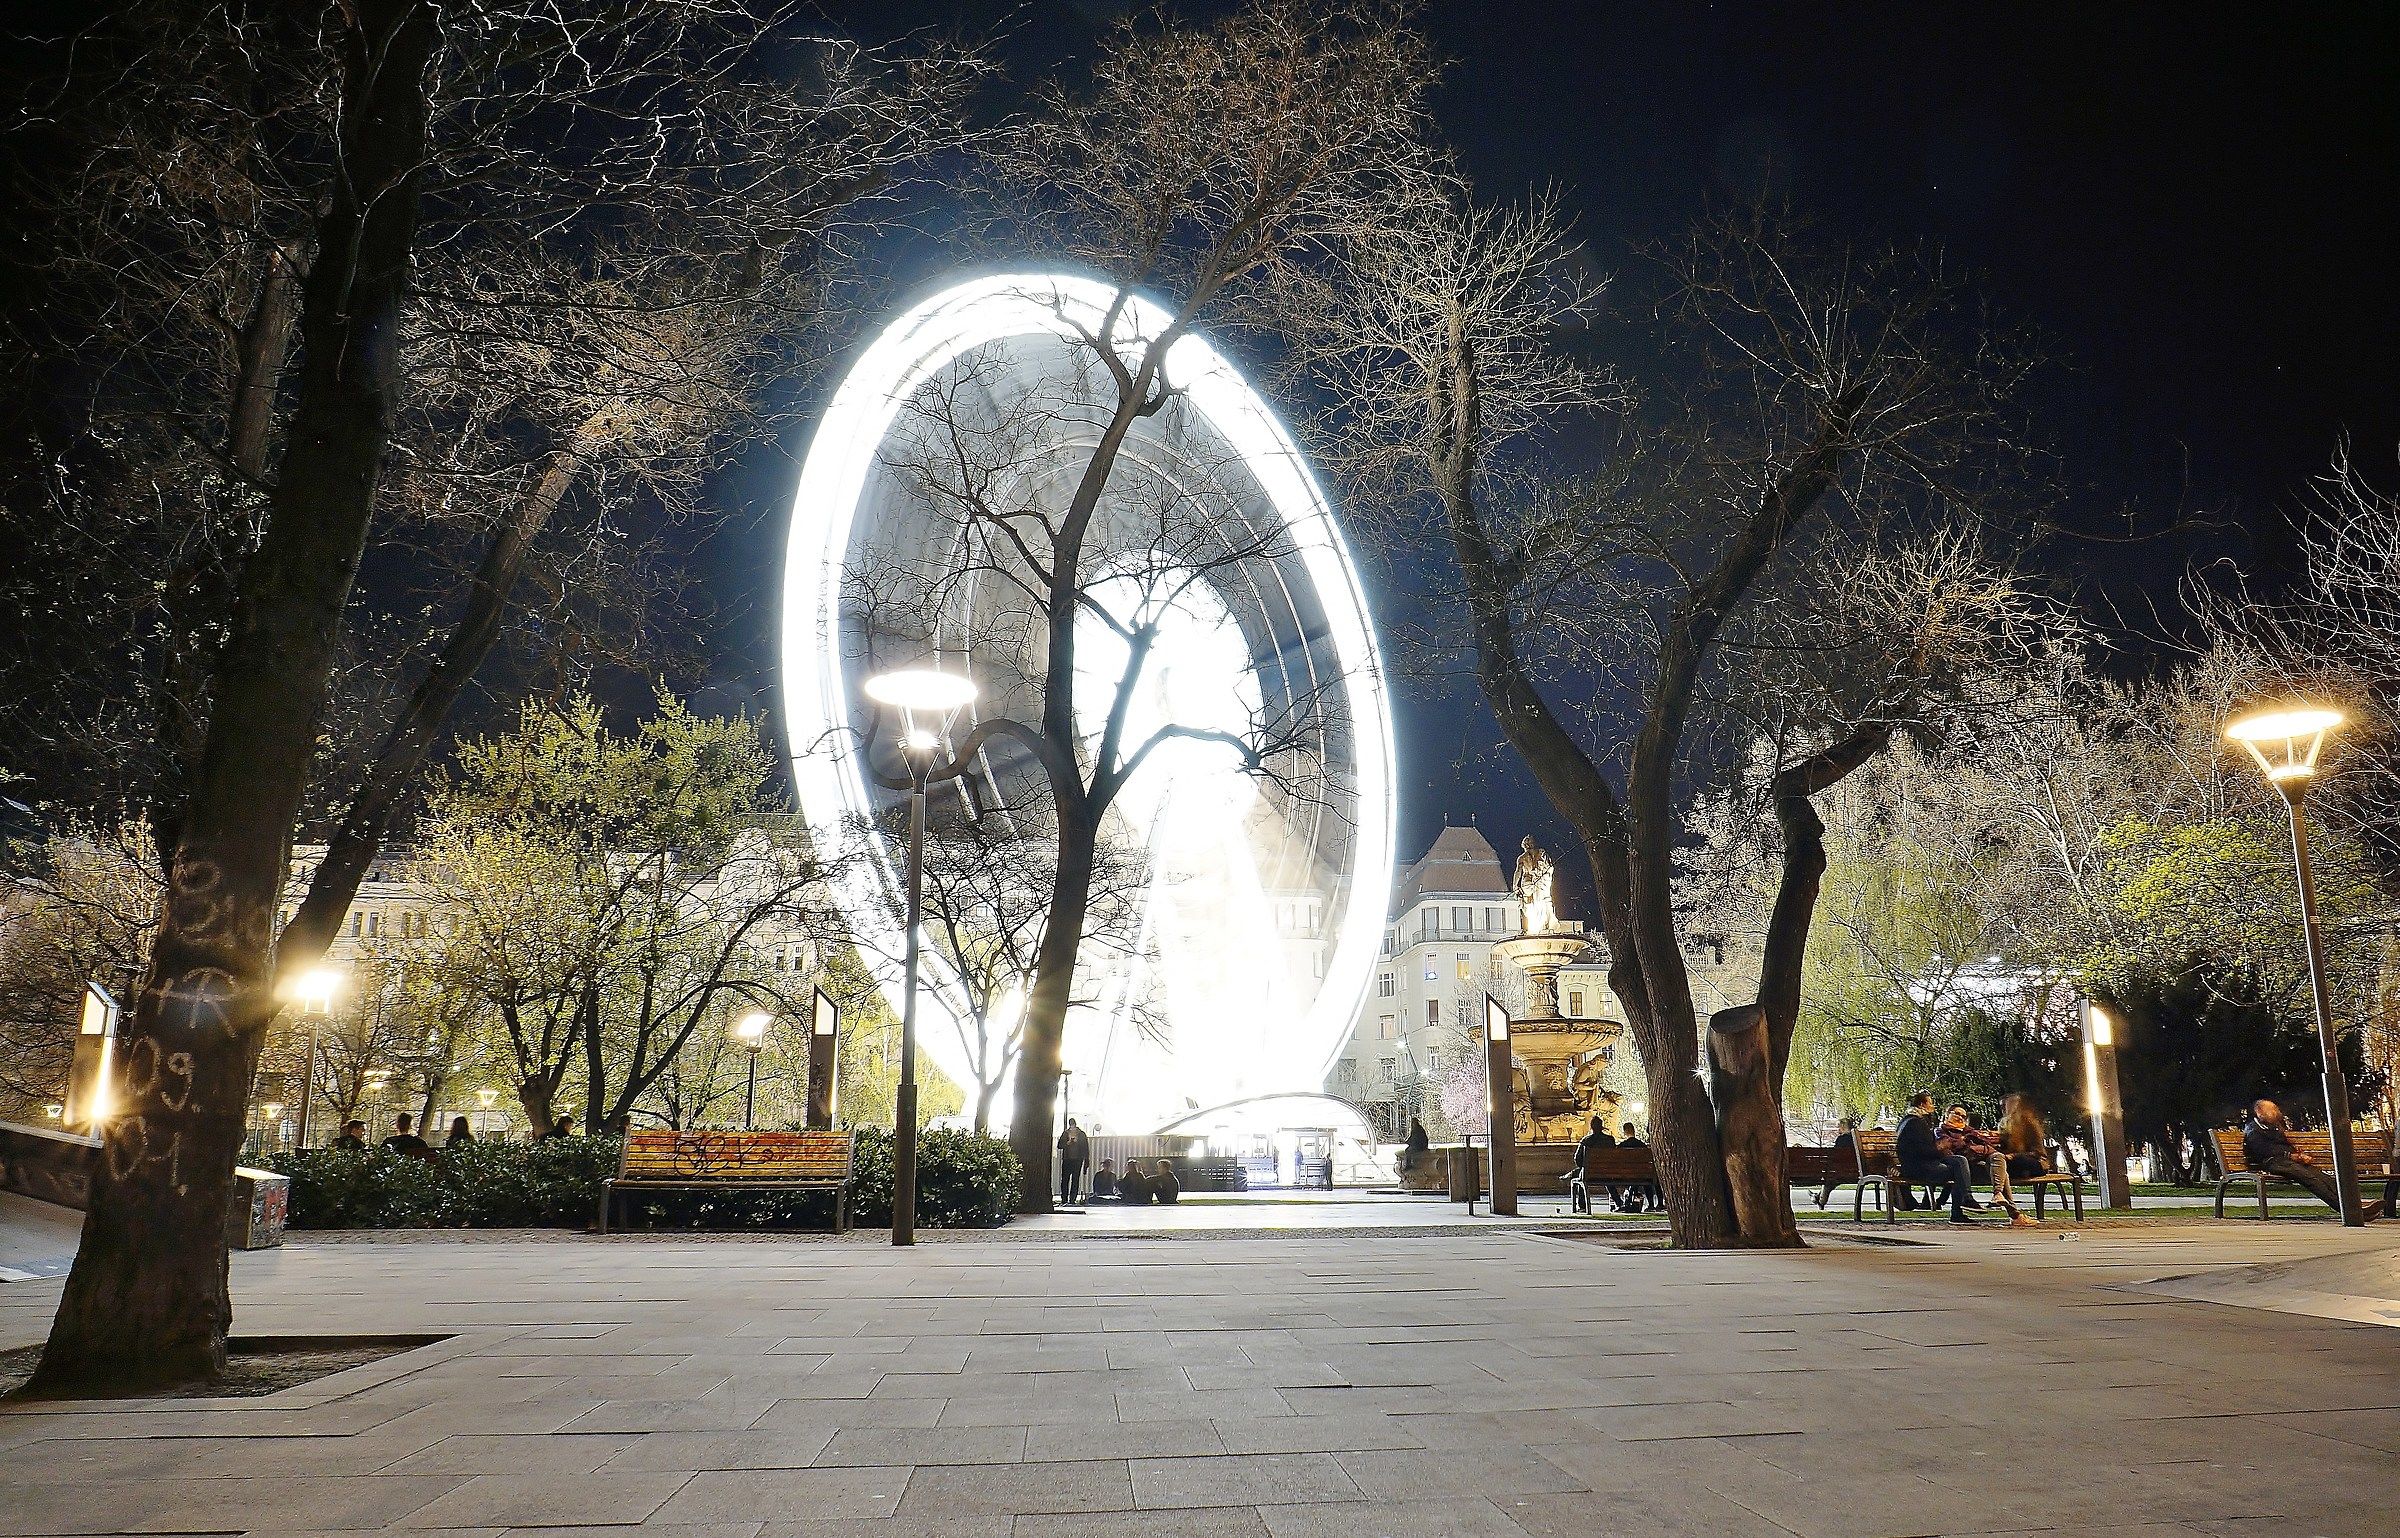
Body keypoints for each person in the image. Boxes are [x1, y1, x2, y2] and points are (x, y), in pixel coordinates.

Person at [2244, 1099, 2384, 1220]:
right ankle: (2349, 1212)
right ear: (2260, 1112)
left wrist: (2299, 1155)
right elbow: (2263, 1151)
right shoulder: (2253, 1130)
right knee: (2312, 1179)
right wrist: (2290, 1155)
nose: (2276, 1111)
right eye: (2272, 1109)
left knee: (2323, 1177)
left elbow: (2284, 1146)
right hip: (2271, 1163)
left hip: (2286, 1161)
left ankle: (2355, 1206)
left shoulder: (2273, 1127)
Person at [1897, 1091, 1980, 1222]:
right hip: (1919, 1168)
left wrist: (1940, 1149)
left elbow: (1924, 1148)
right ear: (1922, 1104)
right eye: (1930, 1102)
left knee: (1959, 1160)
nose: (1932, 1106)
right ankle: (1960, 1209)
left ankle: (1966, 1200)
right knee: (1958, 1170)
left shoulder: (1913, 1120)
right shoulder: (1915, 1123)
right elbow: (1921, 1151)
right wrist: (1939, 1148)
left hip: (1923, 1163)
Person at [1940, 1105, 2025, 1226]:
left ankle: (1998, 1194)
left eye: (1963, 1116)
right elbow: (1954, 1147)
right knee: (2002, 1173)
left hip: (1978, 1164)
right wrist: (1973, 1143)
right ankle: (2014, 1214)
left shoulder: (1969, 1131)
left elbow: (1986, 1142)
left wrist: (1974, 1143)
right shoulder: (1940, 1130)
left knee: (1998, 1157)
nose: (1960, 1118)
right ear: (1947, 1114)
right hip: (1963, 1171)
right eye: (1957, 1114)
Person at [1570, 1116, 1616, 1213]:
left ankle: (1582, 1206)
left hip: (1589, 1173)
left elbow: (1577, 1159)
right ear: (1602, 1126)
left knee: (1581, 1173)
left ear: (1591, 1127)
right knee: (1605, 1175)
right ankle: (1618, 1202)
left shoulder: (1586, 1140)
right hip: (1609, 1172)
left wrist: (1583, 1166)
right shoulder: (1610, 1140)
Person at [1817, 1117, 1859, 1209]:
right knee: (1831, 1181)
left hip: (1842, 1172)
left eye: (1839, 1127)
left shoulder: (1841, 1140)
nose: (1838, 1129)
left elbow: (1835, 1157)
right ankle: (1818, 1197)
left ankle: (1820, 1200)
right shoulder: (1858, 1138)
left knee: (1829, 1181)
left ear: (1843, 1127)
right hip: (1857, 1172)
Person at [1616, 1122, 1657, 1213]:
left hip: (1625, 1175)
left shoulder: (1622, 1146)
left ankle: (1620, 1203)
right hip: (1642, 1174)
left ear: (1625, 1132)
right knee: (1644, 1178)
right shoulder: (1642, 1145)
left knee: (1636, 1177)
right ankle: (1651, 1204)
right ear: (1634, 1131)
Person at [1057, 1118, 1090, 1205]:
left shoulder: (1081, 1134)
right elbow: (1059, 1145)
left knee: (1073, 1180)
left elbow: (1085, 1148)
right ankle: (1065, 1199)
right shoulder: (1066, 1133)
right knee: (1066, 1180)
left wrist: (1086, 1160)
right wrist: (1068, 1143)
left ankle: (1071, 1199)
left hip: (1076, 1159)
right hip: (1069, 1159)